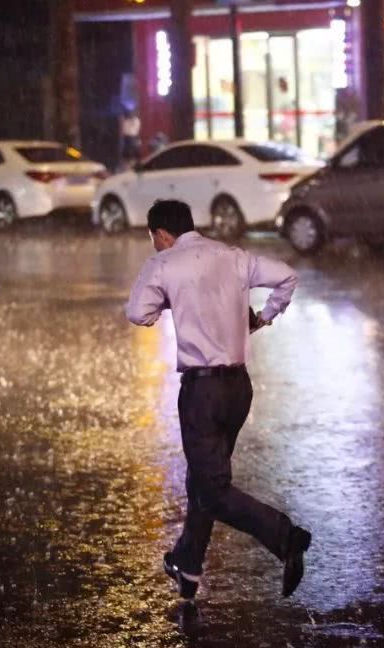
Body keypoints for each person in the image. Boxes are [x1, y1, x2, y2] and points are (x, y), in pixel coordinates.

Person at [125, 200, 312, 600]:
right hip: (238, 389)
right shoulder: (234, 257)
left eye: (154, 239)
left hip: (202, 392)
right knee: (203, 479)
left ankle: (286, 538)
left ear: (161, 234)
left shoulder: (164, 264)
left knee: (212, 490)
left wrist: (170, 300)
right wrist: (263, 317)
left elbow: (137, 313)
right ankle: (187, 565)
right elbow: (288, 277)